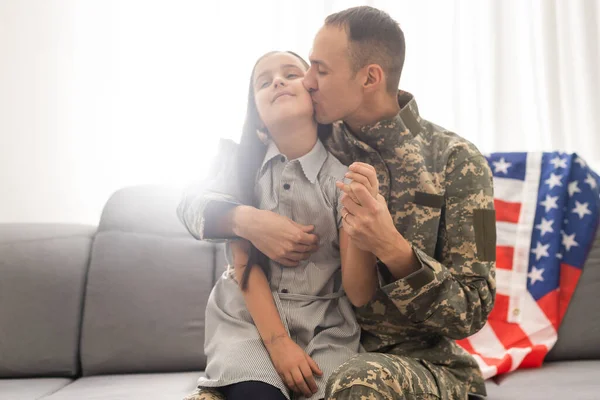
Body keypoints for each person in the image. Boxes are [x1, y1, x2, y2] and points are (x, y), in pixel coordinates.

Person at [180, 6, 496, 400]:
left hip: (411, 361)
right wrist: (245, 220)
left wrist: (393, 248)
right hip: (306, 342)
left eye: (320, 71)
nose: (307, 82)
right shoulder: (314, 133)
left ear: (369, 77)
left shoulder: (458, 162)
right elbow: (194, 201)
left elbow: (473, 308)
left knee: (356, 381)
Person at [182, 50, 386, 400]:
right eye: (263, 82)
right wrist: (278, 344)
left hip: (326, 330)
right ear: (258, 117)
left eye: (291, 74)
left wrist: (364, 222)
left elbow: (358, 292)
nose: (277, 81)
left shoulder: (345, 180)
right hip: (250, 325)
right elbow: (244, 267)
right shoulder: (242, 172)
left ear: (315, 97)